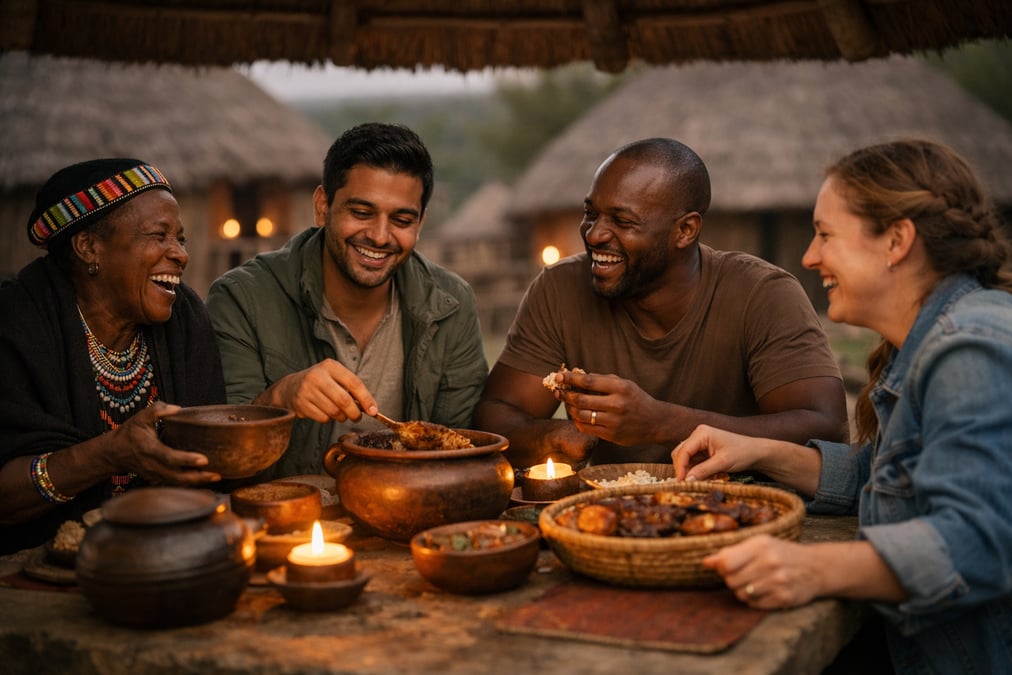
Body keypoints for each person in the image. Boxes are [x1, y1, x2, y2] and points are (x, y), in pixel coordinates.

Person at [672, 139, 1012, 673]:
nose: (809, 256)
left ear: (897, 240)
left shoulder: (969, 350)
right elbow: (882, 475)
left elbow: (977, 543)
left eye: (825, 234)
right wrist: (756, 451)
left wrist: (812, 568)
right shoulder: (925, 345)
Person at [474, 137, 848, 469]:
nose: (594, 234)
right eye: (591, 214)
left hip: (743, 509)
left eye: (623, 221)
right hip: (607, 516)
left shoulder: (762, 294)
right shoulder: (560, 290)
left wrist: (661, 423)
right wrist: (555, 436)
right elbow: (495, 415)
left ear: (685, 230)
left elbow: (825, 428)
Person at [205, 123, 488, 480]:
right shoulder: (242, 299)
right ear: (323, 206)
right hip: (284, 521)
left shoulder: (451, 303)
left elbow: (460, 449)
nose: (380, 236)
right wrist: (280, 398)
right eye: (362, 213)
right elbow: (219, 455)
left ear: (420, 223)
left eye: (401, 220)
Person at [0, 158, 226, 554]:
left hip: (167, 554)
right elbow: (5, 497)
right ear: (89, 247)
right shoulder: (18, 323)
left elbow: (209, 456)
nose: (180, 255)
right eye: (159, 235)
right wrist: (110, 453)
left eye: (181, 239)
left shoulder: (185, 317)